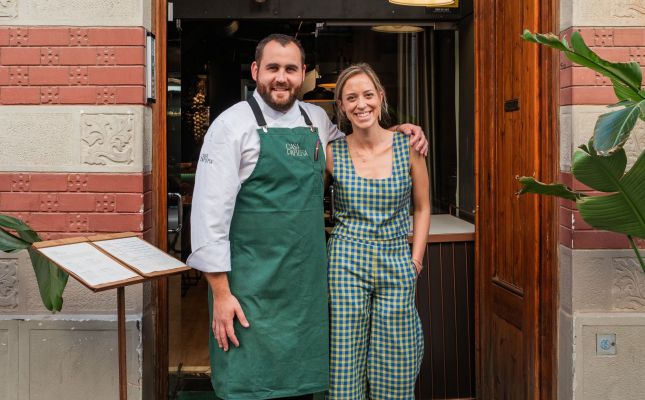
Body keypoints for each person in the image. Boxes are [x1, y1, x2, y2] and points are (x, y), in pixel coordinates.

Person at [188, 34, 428, 400]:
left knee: (300, 386)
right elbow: (208, 217)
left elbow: (359, 143)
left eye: (290, 69)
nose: (281, 78)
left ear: (304, 75)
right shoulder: (230, 126)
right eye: (272, 68)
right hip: (250, 287)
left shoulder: (315, 120)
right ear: (255, 71)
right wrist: (221, 293)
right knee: (250, 387)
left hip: (305, 287)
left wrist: (399, 133)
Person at [324, 63, 430, 400]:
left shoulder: (409, 146)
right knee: (345, 357)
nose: (361, 104)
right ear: (340, 106)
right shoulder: (331, 153)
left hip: (396, 257)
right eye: (351, 98)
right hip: (345, 260)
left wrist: (416, 260)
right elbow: (308, 203)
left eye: (368, 95)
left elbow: (423, 207)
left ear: (380, 98)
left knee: (397, 355)